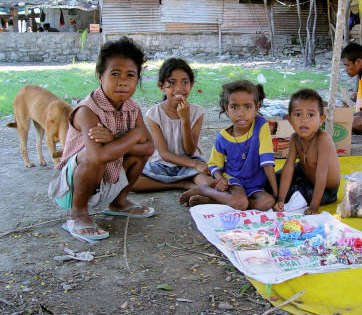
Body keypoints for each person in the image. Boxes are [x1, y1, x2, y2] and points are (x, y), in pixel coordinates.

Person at [48, 36, 155, 242]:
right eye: (115, 73)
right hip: (71, 189)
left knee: (137, 156)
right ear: (100, 76)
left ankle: (118, 202)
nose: (122, 81)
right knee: (93, 156)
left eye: (130, 75)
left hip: (108, 179)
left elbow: (149, 148)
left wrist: (114, 141)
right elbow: (97, 156)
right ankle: (77, 214)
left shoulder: (132, 108)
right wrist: (134, 135)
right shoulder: (87, 110)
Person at [179, 80, 278, 211]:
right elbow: (214, 165)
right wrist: (220, 180)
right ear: (227, 109)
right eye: (234, 107)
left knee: (267, 202)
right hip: (233, 181)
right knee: (241, 202)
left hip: (254, 185)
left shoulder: (261, 125)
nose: (241, 113)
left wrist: (277, 194)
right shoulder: (222, 138)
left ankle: (216, 201)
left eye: (247, 107)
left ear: (257, 107)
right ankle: (205, 190)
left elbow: (267, 161)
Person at [132, 58, 215, 192]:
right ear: (161, 87)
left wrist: (185, 120)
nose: (179, 88)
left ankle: (187, 181)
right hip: (162, 164)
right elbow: (164, 154)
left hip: (187, 162)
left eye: (185, 82)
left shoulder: (197, 112)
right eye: (172, 83)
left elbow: (189, 151)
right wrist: (195, 164)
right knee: (133, 183)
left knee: (208, 182)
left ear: (191, 85)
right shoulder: (153, 114)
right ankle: (181, 184)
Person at [272, 89, 340, 215]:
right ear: (289, 119)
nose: (304, 120)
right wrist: (280, 199)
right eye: (298, 115)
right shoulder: (294, 138)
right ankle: (280, 197)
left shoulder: (323, 139)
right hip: (305, 177)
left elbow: (321, 176)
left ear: (321, 119)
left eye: (310, 115)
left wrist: (314, 207)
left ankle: (293, 197)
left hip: (326, 191)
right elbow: (288, 168)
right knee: (274, 179)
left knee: (298, 192)